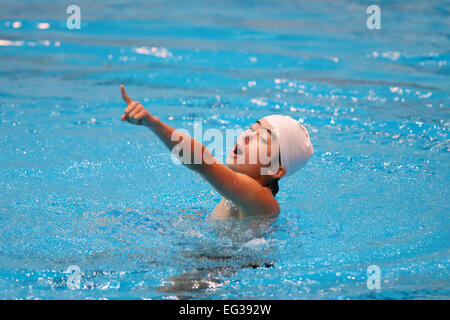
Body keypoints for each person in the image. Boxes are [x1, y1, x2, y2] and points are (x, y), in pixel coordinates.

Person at [120, 85, 313, 219]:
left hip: (228, 270)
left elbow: (203, 162)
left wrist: (153, 123)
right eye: (252, 128)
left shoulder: (261, 199)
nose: (246, 136)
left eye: (262, 139)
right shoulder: (236, 190)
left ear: (276, 169)